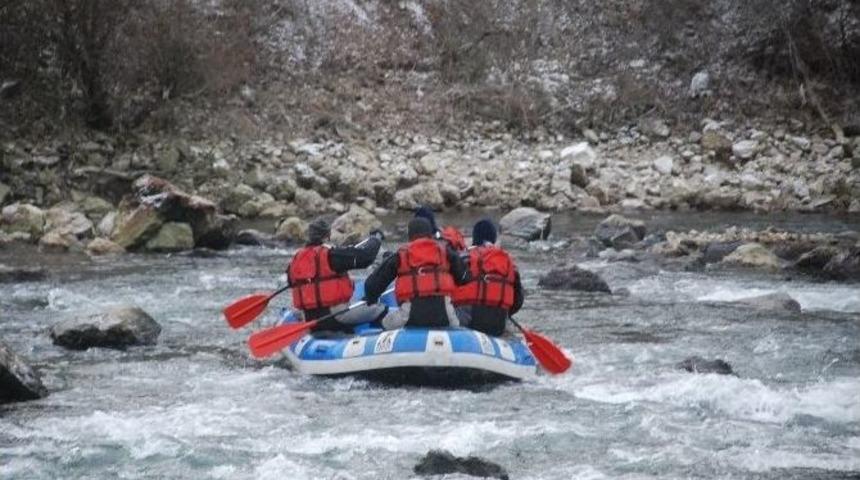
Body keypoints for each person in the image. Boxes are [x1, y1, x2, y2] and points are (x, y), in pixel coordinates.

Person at [363, 217, 470, 328]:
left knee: (382, 323)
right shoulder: (447, 253)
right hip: (445, 314)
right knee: (456, 322)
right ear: (431, 235)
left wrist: (372, 300)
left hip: (409, 314)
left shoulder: (400, 256)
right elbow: (464, 278)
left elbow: (371, 286)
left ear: (410, 236)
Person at [287, 218, 385, 333]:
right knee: (381, 309)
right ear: (327, 236)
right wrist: (376, 239)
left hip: (309, 319)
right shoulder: (331, 255)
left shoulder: (295, 260)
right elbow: (365, 257)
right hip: (336, 316)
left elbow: (291, 283)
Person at [452, 218, 524, 336]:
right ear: (494, 239)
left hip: (468, 323)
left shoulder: (463, 257)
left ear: (474, 238)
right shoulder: (508, 263)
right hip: (498, 323)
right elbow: (518, 301)